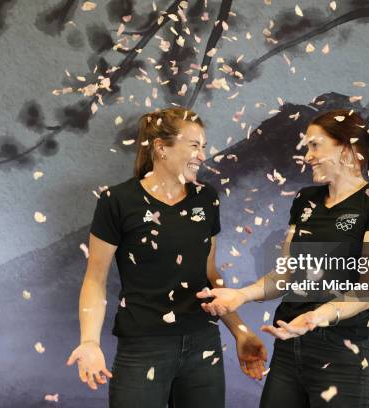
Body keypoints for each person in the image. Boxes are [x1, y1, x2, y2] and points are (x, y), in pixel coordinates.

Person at [197, 109, 369, 407]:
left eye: (315, 145)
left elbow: (367, 289)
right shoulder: (306, 200)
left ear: (346, 148)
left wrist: (316, 317)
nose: (307, 155)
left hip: (340, 355)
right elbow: (287, 275)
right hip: (288, 351)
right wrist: (240, 295)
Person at [66, 107, 267, 408]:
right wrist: (89, 342)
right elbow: (95, 279)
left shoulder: (206, 198)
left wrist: (240, 331)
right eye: (195, 146)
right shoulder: (118, 201)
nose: (202, 155)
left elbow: (209, 275)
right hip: (143, 346)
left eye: (204, 147)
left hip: (202, 345)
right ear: (161, 148)